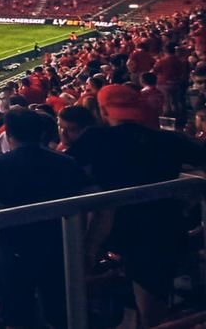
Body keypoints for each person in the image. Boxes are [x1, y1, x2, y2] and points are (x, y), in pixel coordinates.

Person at [66, 84, 206, 326]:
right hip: (164, 226)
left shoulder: (94, 138)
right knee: (152, 301)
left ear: (103, 110)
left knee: (145, 309)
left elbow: (64, 170)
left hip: (119, 230)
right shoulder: (166, 139)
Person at [0, 108, 92, 329]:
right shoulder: (65, 162)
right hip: (59, 249)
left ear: (9, 135)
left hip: (13, 251)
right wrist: (86, 244)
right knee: (61, 314)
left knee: (17, 318)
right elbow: (93, 205)